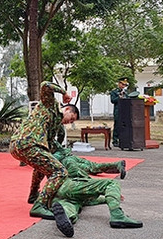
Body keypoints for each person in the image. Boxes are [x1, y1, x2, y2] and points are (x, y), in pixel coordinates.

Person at [10, 81, 78, 228]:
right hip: (28, 142)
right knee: (60, 172)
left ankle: (33, 195)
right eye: (71, 118)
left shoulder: (57, 127)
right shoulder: (51, 105)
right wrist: (64, 92)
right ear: (66, 109)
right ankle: (39, 205)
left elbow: (55, 146)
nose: (69, 122)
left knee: (42, 165)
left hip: (21, 146)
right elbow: (45, 85)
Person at [26, 124, 126, 204]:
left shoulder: (44, 138)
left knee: (89, 168)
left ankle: (116, 166)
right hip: (67, 158)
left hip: (66, 160)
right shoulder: (47, 137)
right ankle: (116, 165)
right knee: (91, 167)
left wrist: (33, 193)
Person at [110, 77, 130, 148]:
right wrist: (119, 96)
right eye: (122, 84)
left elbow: (128, 99)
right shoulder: (114, 92)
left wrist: (125, 95)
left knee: (125, 126)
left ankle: (123, 139)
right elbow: (112, 100)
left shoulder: (126, 92)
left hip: (125, 111)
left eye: (124, 85)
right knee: (117, 125)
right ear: (119, 84)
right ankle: (115, 140)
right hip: (118, 111)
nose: (123, 86)